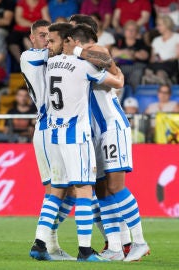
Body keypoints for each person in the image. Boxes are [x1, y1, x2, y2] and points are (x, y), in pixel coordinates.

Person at [31, 23, 125, 262]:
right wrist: (115, 70)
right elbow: (117, 83)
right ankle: (85, 250)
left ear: (63, 41)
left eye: (51, 41)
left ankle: (40, 243)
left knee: (57, 191)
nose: (48, 45)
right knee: (84, 190)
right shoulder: (82, 66)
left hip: (54, 134)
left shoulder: (50, 64)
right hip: (77, 135)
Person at [68, 14, 150, 261]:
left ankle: (139, 241)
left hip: (111, 127)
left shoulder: (96, 50)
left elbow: (111, 66)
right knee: (101, 190)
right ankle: (114, 246)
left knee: (116, 186)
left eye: (71, 32)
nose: (67, 38)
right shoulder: (74, 58)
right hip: (93, 131)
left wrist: (79, 51)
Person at [20, 20, 75, 260]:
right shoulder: (29, 57)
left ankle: (49, 242)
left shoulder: (53, 58)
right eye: (43, 36)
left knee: (69, 190)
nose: (46, 41)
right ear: (33, 38)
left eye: (50, 37)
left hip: (55, 128)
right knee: (57, 188)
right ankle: (41, 242)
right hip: (46, 128)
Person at [7, 0, 50, 66]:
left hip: (36, 30)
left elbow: (47, 20)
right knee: (11, 39)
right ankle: (22, 62)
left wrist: (38, 27)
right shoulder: (21, 3)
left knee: (29, 39)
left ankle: (34, 62)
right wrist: (32, 24)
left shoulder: (42, 2)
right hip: (21, 29)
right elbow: (18, 19)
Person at [110, 20, 151, 91]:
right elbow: (113, 53)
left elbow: (144, 56)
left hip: (136, 67)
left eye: (133, 30)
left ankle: (134, 96)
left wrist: (122, 53)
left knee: (137, 73)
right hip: (121, 67)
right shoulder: (119, 41)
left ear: (137, 32)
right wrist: (131, 54)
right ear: (124, 31)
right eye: (128, 30)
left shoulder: (141, 43)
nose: (130, 32)